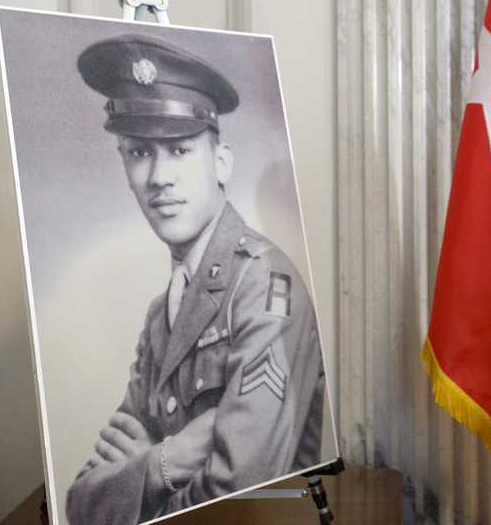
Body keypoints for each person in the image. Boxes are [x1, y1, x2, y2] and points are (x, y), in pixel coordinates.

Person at [65, 34, 325, 525]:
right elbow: (80, 502)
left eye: (180, 150)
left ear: (221, 162)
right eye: (140, 153)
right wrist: (164, 463)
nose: (159, 177)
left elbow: (242, 493)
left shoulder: (265, 288)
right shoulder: (161, 314)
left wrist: (142, 474)